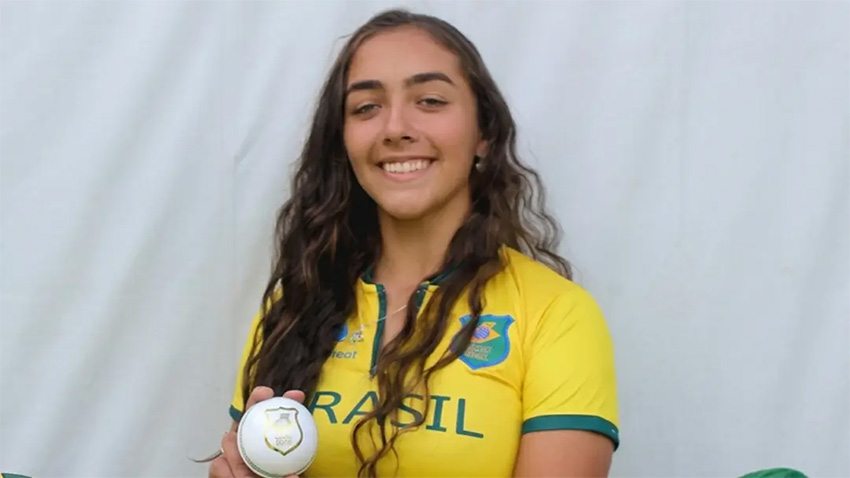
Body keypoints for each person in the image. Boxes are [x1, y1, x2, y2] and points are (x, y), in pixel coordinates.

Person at [210, 8, 619, 478]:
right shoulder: (294, 306)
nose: (394, 128)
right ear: (342, 140)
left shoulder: (556, 314)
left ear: (484, 133)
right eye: (366, 107)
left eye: (430, 100)